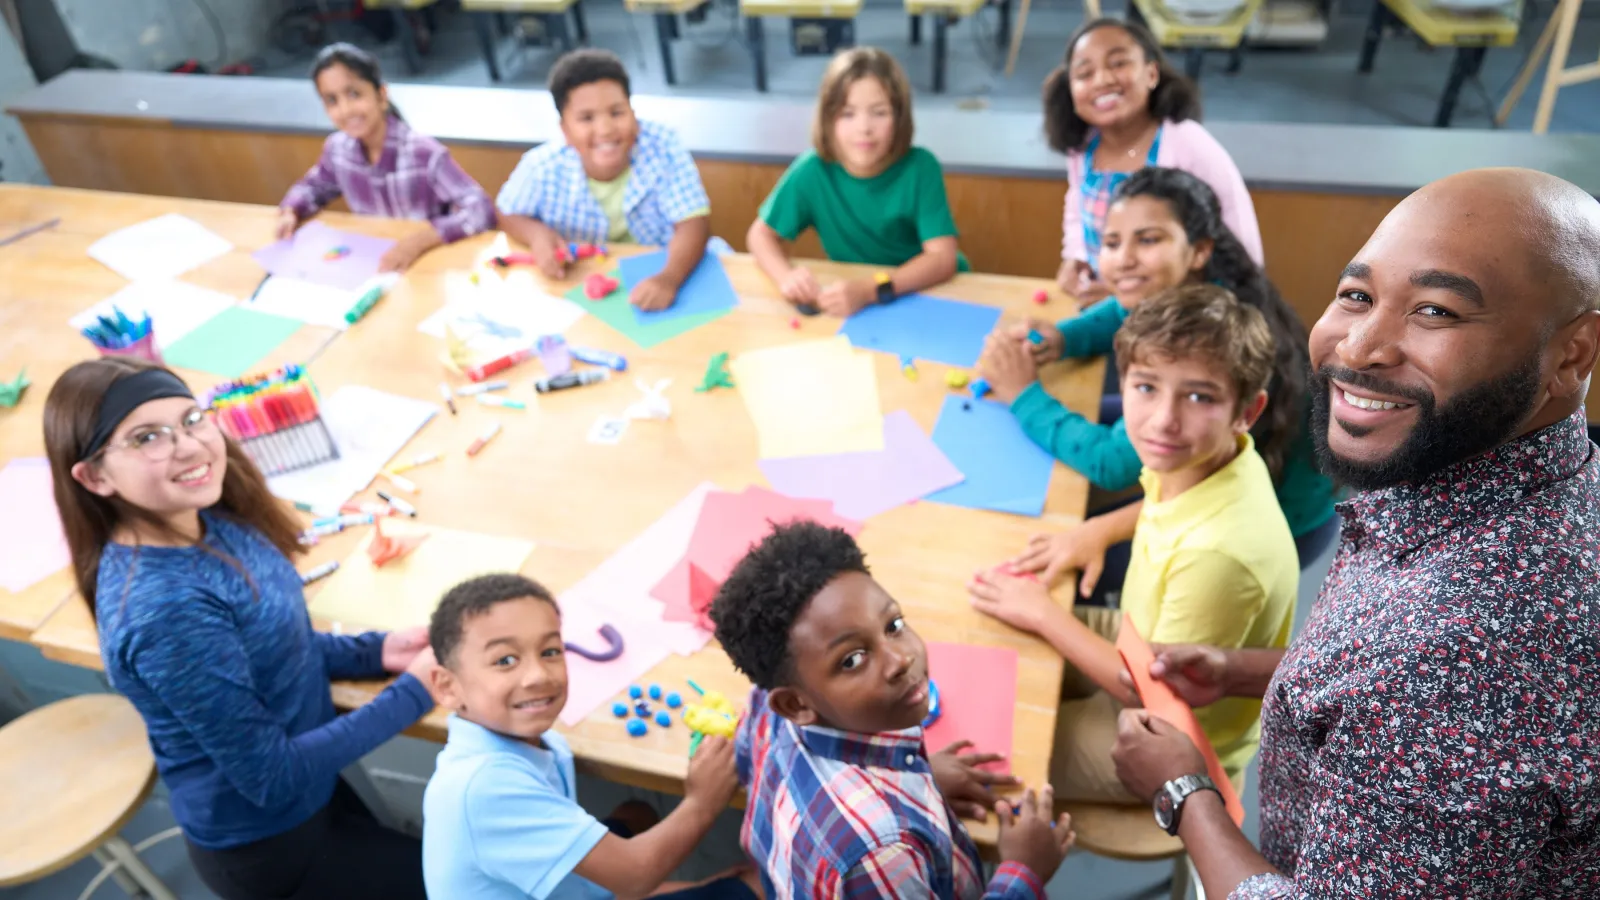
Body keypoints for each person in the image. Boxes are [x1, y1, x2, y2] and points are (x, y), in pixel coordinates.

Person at [1109, 168, 1600, 898]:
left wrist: (1186, 794)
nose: (1359, 347)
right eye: (1357, 296)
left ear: (1572, 355)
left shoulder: (1459, 655)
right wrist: (1244, 668)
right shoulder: (1487, 488)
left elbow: (1418, 686)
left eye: (1435, 311)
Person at [43, 358, 436, 900]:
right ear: (95, 476)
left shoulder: (207, 518)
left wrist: (373, 652)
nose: (189, 446)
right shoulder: (166, 613)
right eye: (147, 438)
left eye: (192, 418)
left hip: (313, 791)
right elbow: (270, 776)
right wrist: (416, 692)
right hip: (272, 842)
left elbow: (268, 643)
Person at [969, 285, 1296, 804]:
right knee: (990, 648)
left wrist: (1044, 615)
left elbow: (1146, 688)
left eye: (1199, 396)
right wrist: (1093, 531)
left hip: (1172, 732)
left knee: (997, 745)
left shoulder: (1219, 556)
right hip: (1137, 635)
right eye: (1146, 387)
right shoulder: (1207, 455)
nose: (1164, 418)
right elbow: (1161, 499)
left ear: (1247, 412)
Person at [977, 167, 1336, 595]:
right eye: (1112, 242)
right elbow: (1125, 310)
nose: (1124, 258)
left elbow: (1111, 464)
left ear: (1199, 250)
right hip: (1206, 473)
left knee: (1049, 573)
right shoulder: (1193, 289)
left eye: (1148, 240)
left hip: (1280, 523)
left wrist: (1023, 395)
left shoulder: (1222, 332)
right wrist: (1064, 338)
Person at [709, 521, 1075, 899]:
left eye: (893, 625)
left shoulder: (770, 704)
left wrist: (916, 780)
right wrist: (1022, 872)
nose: (901, 659)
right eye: (852, 660)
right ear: (796, 703)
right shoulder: (881, 854)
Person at [423, 573, 760, 899]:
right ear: (448, 687)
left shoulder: (520, 741)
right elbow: (635, 877)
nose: (538, 675)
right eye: (506, 660)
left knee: (637, 814)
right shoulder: (485, 787)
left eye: (550, 651)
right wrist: (702, 801)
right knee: (757, 886)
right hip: (628, 877)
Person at [1043, 19, 1260, 306]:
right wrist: (1076, 257)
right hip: (1104, 310)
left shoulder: (1188, 143)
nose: (1102, 80)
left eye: (1118, 63)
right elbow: (1076, 208)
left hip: (1183, 313)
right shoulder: (1083, 147)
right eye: (1084, 73)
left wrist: (1126, 295)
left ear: (1151, 73)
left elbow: (1241, 252)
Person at [746, 47, 964, 318]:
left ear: (900, 118)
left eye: (879, 112)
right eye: (847, 113)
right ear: (827, 120)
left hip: (929, 292)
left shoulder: (921, 167)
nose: (864, 127)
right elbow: (760, 235)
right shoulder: (812, 170)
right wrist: (786, 277)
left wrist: (870, 290)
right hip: (861, 306)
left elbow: (943, 259)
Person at [496, 49, 711, 312]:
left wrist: (669, 279)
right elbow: (506, 212)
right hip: (579, 284)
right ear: (565, 130)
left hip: (666, 268)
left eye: (617, 112)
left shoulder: (664, 146)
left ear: (633, 112)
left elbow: (693, 224)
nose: (606, 129)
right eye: (586, 118)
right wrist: (537, 235)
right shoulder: (541, 166)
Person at [278, 42, 496, 272]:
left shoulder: (423, 153)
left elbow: (481, 209)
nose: (345, 110)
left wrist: (420, 241)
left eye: (354, 94)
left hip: (426, 265)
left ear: (381, 95)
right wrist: (291, 210)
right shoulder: (337, 149)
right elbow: (313, 187)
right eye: (332, 100)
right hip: (374, 263)